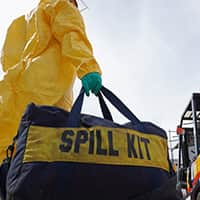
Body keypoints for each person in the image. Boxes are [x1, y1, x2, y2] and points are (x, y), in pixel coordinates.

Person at [0, 0, 102, 162]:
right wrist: (88, 67)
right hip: (48, 86)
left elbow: (7, 59)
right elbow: (71, 33)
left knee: (10, 147)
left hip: (13, 91)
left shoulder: (20, 22)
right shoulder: (62, 5)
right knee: (44, 146)